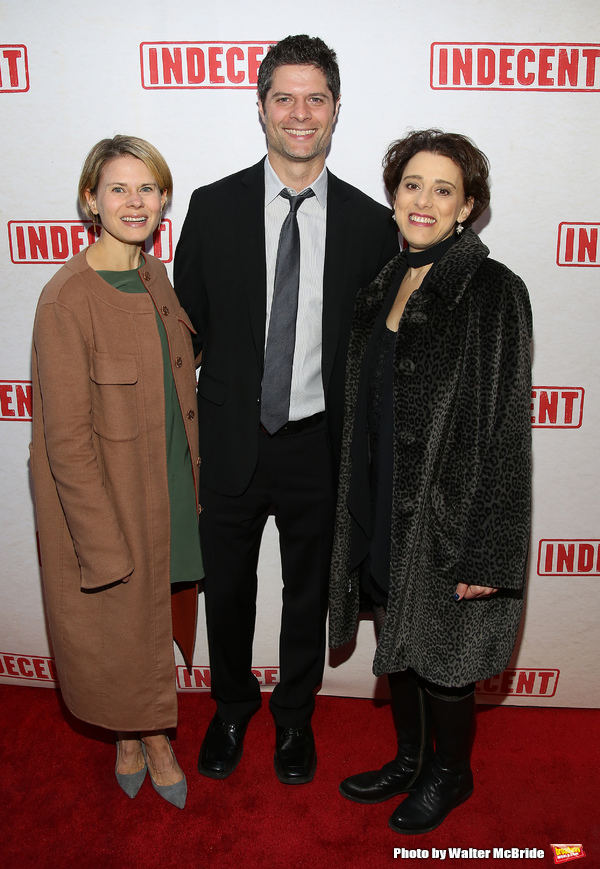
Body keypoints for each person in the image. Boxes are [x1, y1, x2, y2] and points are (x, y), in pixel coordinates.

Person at [174, 34, 399, 785]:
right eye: (284, 98)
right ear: (261, 107)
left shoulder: (373, 226)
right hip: (233, 436)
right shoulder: (210, 208)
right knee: (228, 591)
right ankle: (233, 707)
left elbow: (378, 357)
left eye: (316, 98)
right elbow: (188, 336)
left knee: (308, 595)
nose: (300, 113)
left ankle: (295, 718)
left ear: (336, 110)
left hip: (320, 446)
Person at [328, 129, 532, 833]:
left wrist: (489, 553)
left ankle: (452, 774)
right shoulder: (383, 283)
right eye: (412, 183)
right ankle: (410, 759)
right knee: (403, 647)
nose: (424, 200)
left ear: (468, 206)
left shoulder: (493, 291)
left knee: (445, 663)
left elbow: (508, 433)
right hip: (385, 507)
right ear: (394, 196)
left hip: (450, 519)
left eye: (444, 189)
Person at [31, 135, 204, 809]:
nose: (135, 202)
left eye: (148, 188)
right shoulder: (65, 298)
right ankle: (141, 737)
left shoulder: (155, 274)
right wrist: (100, 542)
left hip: (169, 477)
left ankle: (145, 728)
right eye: (118, 189)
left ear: (163, 200)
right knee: (121, 617)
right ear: (89, 200)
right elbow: (64, 442)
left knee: (154, 611)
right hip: (111, 495)